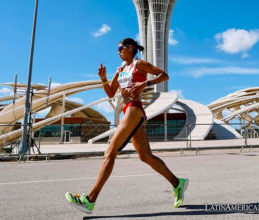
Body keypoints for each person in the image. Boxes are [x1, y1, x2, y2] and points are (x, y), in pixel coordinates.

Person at [65, 38, 188, 214]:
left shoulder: (140, 64)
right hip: (127, 110)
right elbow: (110, 92)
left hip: (134, 109)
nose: (118, 51)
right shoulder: (121, 69)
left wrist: (144, 84)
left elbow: (164, 75)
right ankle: (177, 183)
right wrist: (104, 79)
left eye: (121, 48)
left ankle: (90, 200)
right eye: (117, 49)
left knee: (110, 152)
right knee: (145, 156)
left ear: (130, 48)